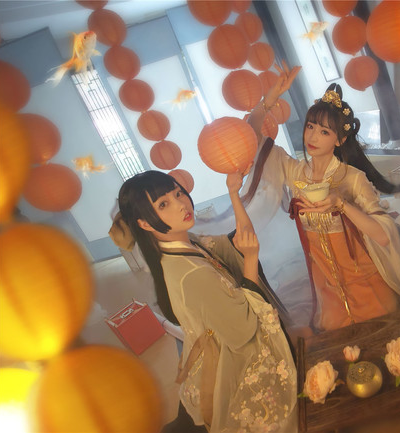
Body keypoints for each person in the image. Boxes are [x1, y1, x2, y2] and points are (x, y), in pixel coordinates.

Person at [111, 170, 297, 433]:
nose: (180, 204)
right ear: (144, 224)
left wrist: (233, 194)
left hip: (210, 342)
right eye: (163, 204)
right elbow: (242, 330)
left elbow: (239, 241)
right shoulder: (191, 274)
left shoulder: (185, 243)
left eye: (178, 193)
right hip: (229, 354)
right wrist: (251, 258)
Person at [243, 66, 400, 332]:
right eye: (310, 126)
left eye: (324, 132)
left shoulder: (353, 178)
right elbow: (252, 137)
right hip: (326, 285)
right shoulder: (294, 171)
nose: (313, 136)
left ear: (340, 139)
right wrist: (270, 99)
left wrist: (341, 204)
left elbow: (384, 236)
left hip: (363, 278)